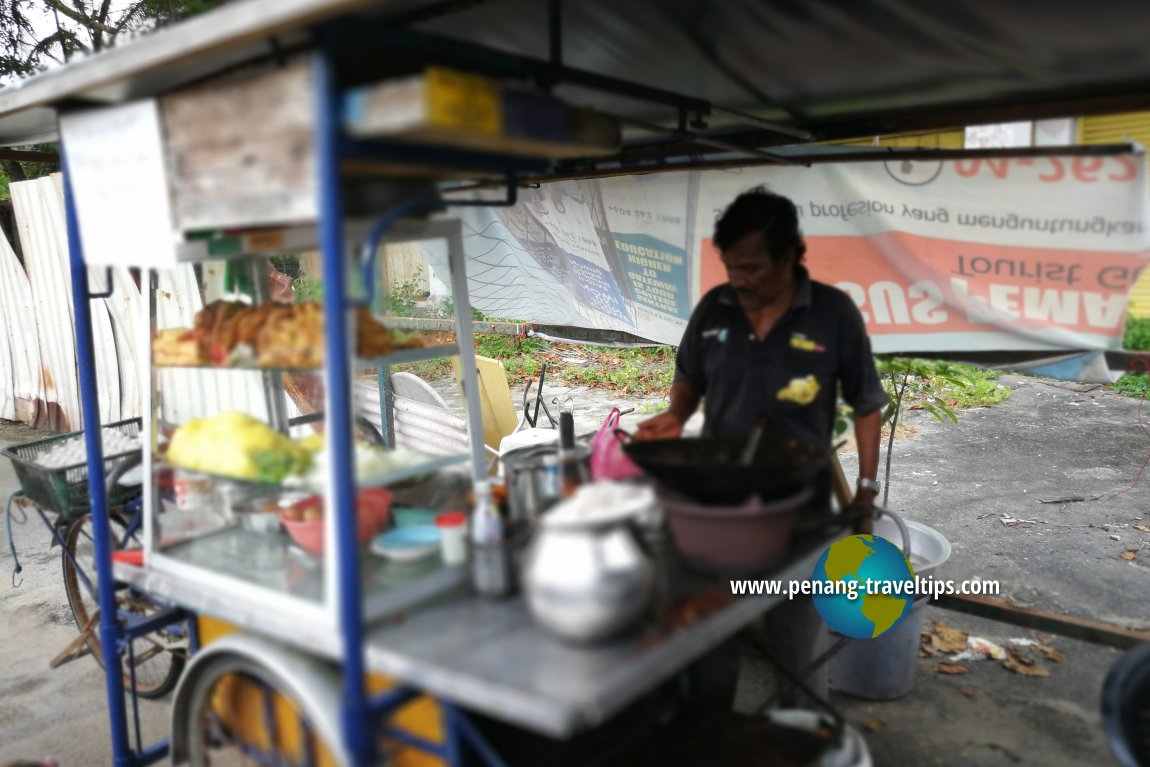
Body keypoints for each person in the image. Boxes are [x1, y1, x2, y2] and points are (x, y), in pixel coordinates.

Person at [636, 186, 888, 708]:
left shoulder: (833, 314)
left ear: (793, 255)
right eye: (731, 266)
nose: (739, 279)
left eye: (752, 267)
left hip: (799, 506)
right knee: (710, 638)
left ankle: (805, 733)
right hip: (718, 504)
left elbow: (867, 403)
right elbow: (689, 377)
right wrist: (676, 415)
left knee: (798, 646)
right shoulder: (715, 308)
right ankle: (712, 734)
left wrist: (864, 491)